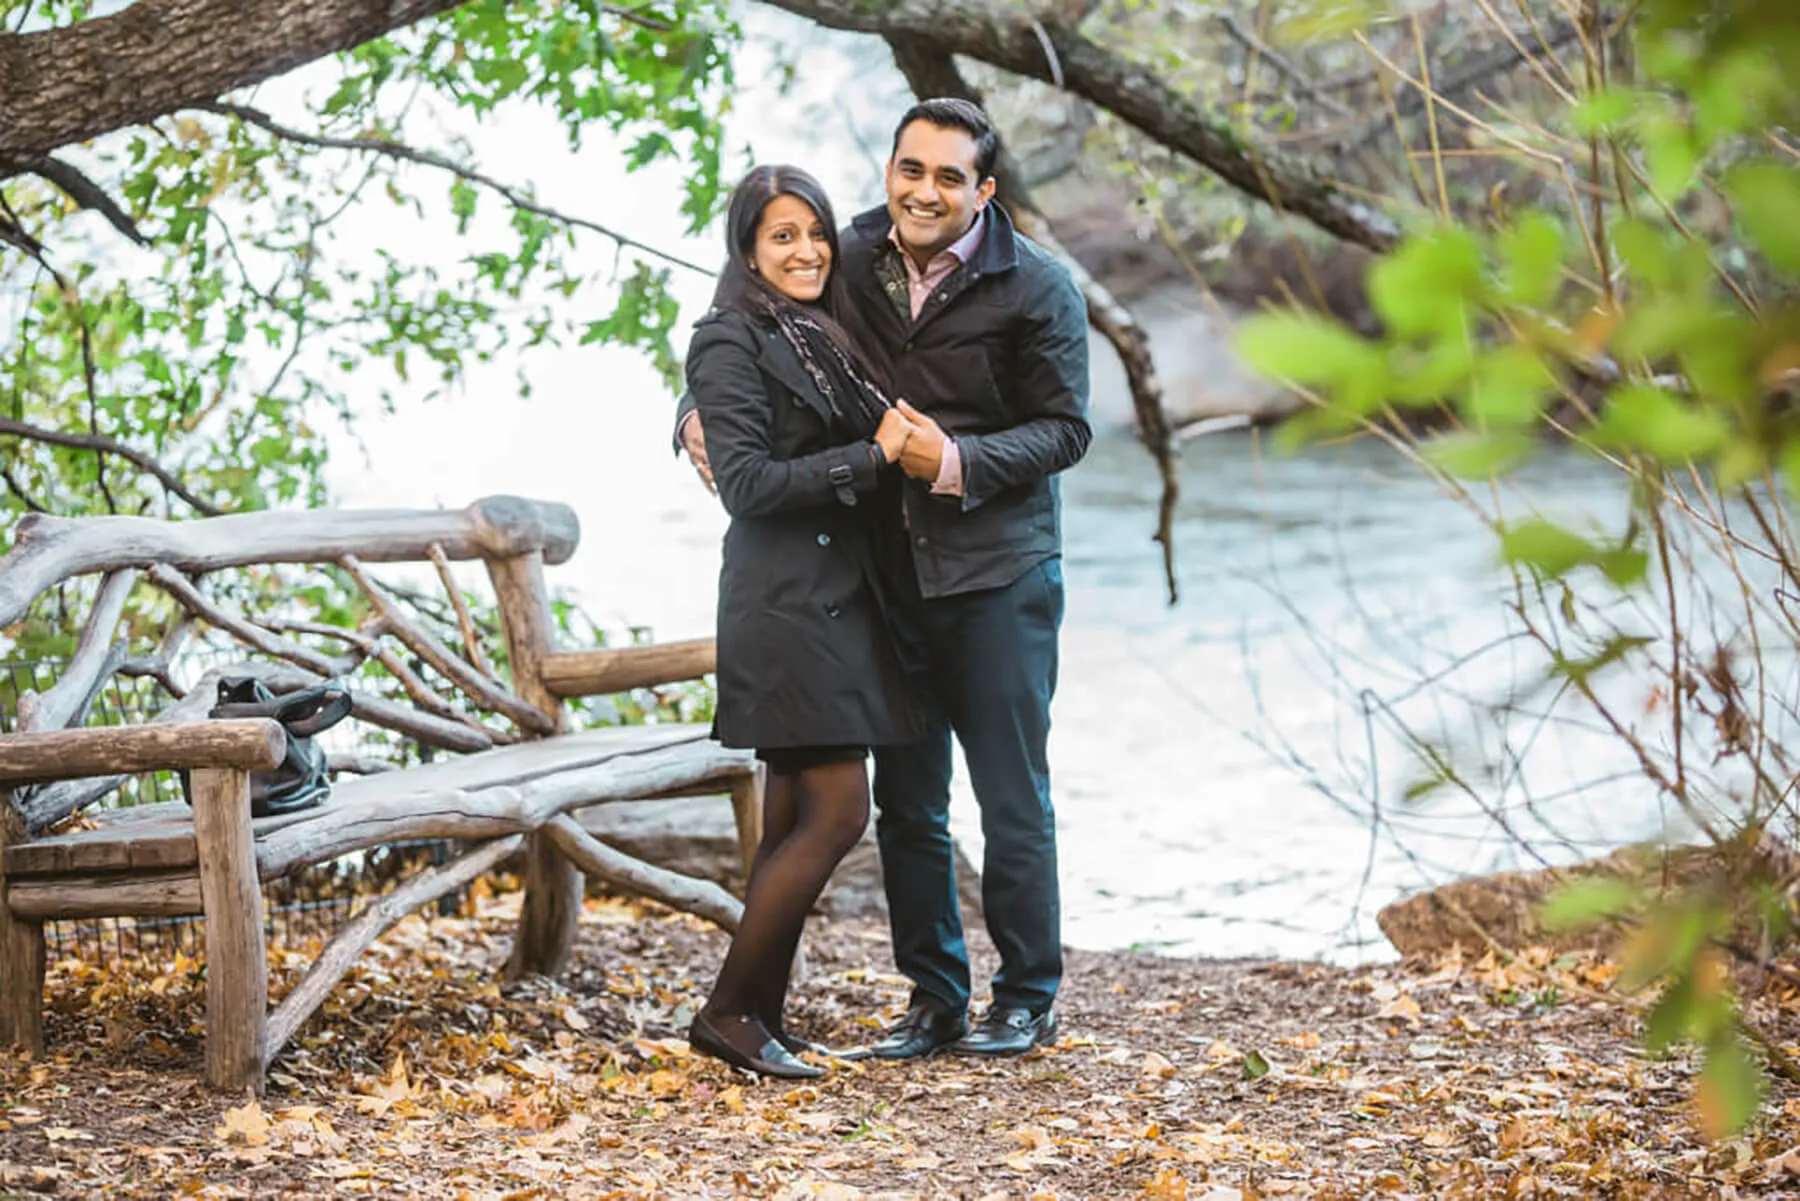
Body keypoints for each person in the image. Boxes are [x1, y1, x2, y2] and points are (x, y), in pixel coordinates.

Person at [677, 99, 1092, 1060]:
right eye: (912, 170)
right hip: (883, 578)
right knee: (910, 800)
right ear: (892, 170)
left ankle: (1026, 995)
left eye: (949, 177)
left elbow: (1066, 429)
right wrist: (692, 413)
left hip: (997, 575)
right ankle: (935, 999)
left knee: (1011, 791)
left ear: (983, 190)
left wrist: (954, 459)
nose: (925, 192)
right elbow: (759, 316)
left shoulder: (1038, 288)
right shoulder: (852, 252)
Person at [680, 164, 923, 1079]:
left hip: (832, 597)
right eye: (782, 236)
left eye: (814, 232)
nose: (808, 250)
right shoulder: (730, 338)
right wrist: (869, 459)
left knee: (790, 817)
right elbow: (745, 485)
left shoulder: (820, 324)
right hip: (785, 606)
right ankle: (729, 1010)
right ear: (748, 248)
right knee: (837, 812)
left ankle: (759, 1015)